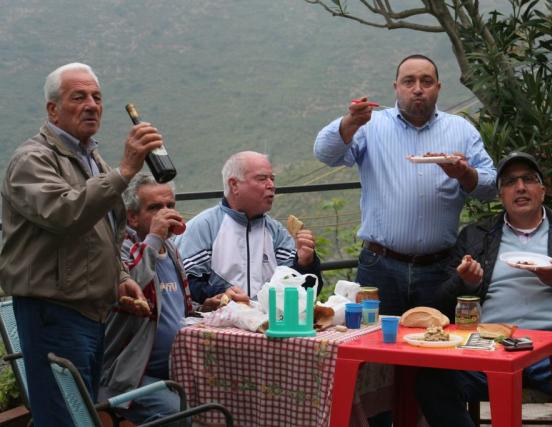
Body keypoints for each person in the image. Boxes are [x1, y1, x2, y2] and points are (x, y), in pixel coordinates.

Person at [0, 62, 164, 425]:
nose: (91, 105)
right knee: (63, 418)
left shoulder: (90, 158)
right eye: (79, 97)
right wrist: (125, 172)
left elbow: (103, 230)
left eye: (97, 97)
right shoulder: (32, 159)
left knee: (80, 415)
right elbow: (65, 213)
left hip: (89, 313)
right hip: (54, 312)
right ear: (53, 109)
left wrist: (120, 276)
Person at [418, 151, 552, 427]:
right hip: (488, 343)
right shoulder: (476, 236)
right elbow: (438, 303)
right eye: (511, 182)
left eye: (529, 179)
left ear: (542, 191)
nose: (521, 187)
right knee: (430, 378)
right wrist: (465, 283)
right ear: (501, 195)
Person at [314, 54, 496, 317]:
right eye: (409, 81)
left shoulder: (461, 130)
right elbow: (324, 153)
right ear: (396, 87)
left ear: (438, 87)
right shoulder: (371, 125)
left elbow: (490, 186)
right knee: (374, 340)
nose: (418, 89)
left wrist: (465, 174)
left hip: (440, 267)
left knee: (436, 339)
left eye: (426, 81)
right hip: (380, 266)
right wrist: (350, 122)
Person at [176, 151, 323, 307]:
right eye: (262, 179)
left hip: (269, 320)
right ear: (234, 185)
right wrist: (221, 293)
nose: (271, 185)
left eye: (272, 179)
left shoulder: (277, 232)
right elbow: (183, 283)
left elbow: (303, 293)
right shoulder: (203, 227)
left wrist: (306, 264)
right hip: (220, 320)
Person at [101, 173, 192, 425]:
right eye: (155, 208)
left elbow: (173, 307)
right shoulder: (119, 248)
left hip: (177, 367)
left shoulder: (170, 249)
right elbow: (130, 287)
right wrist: (153, 238)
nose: (166, 213)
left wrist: (207, 305)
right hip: (128, 373)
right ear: (132, 217)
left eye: (170, 205)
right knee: (180, 414)